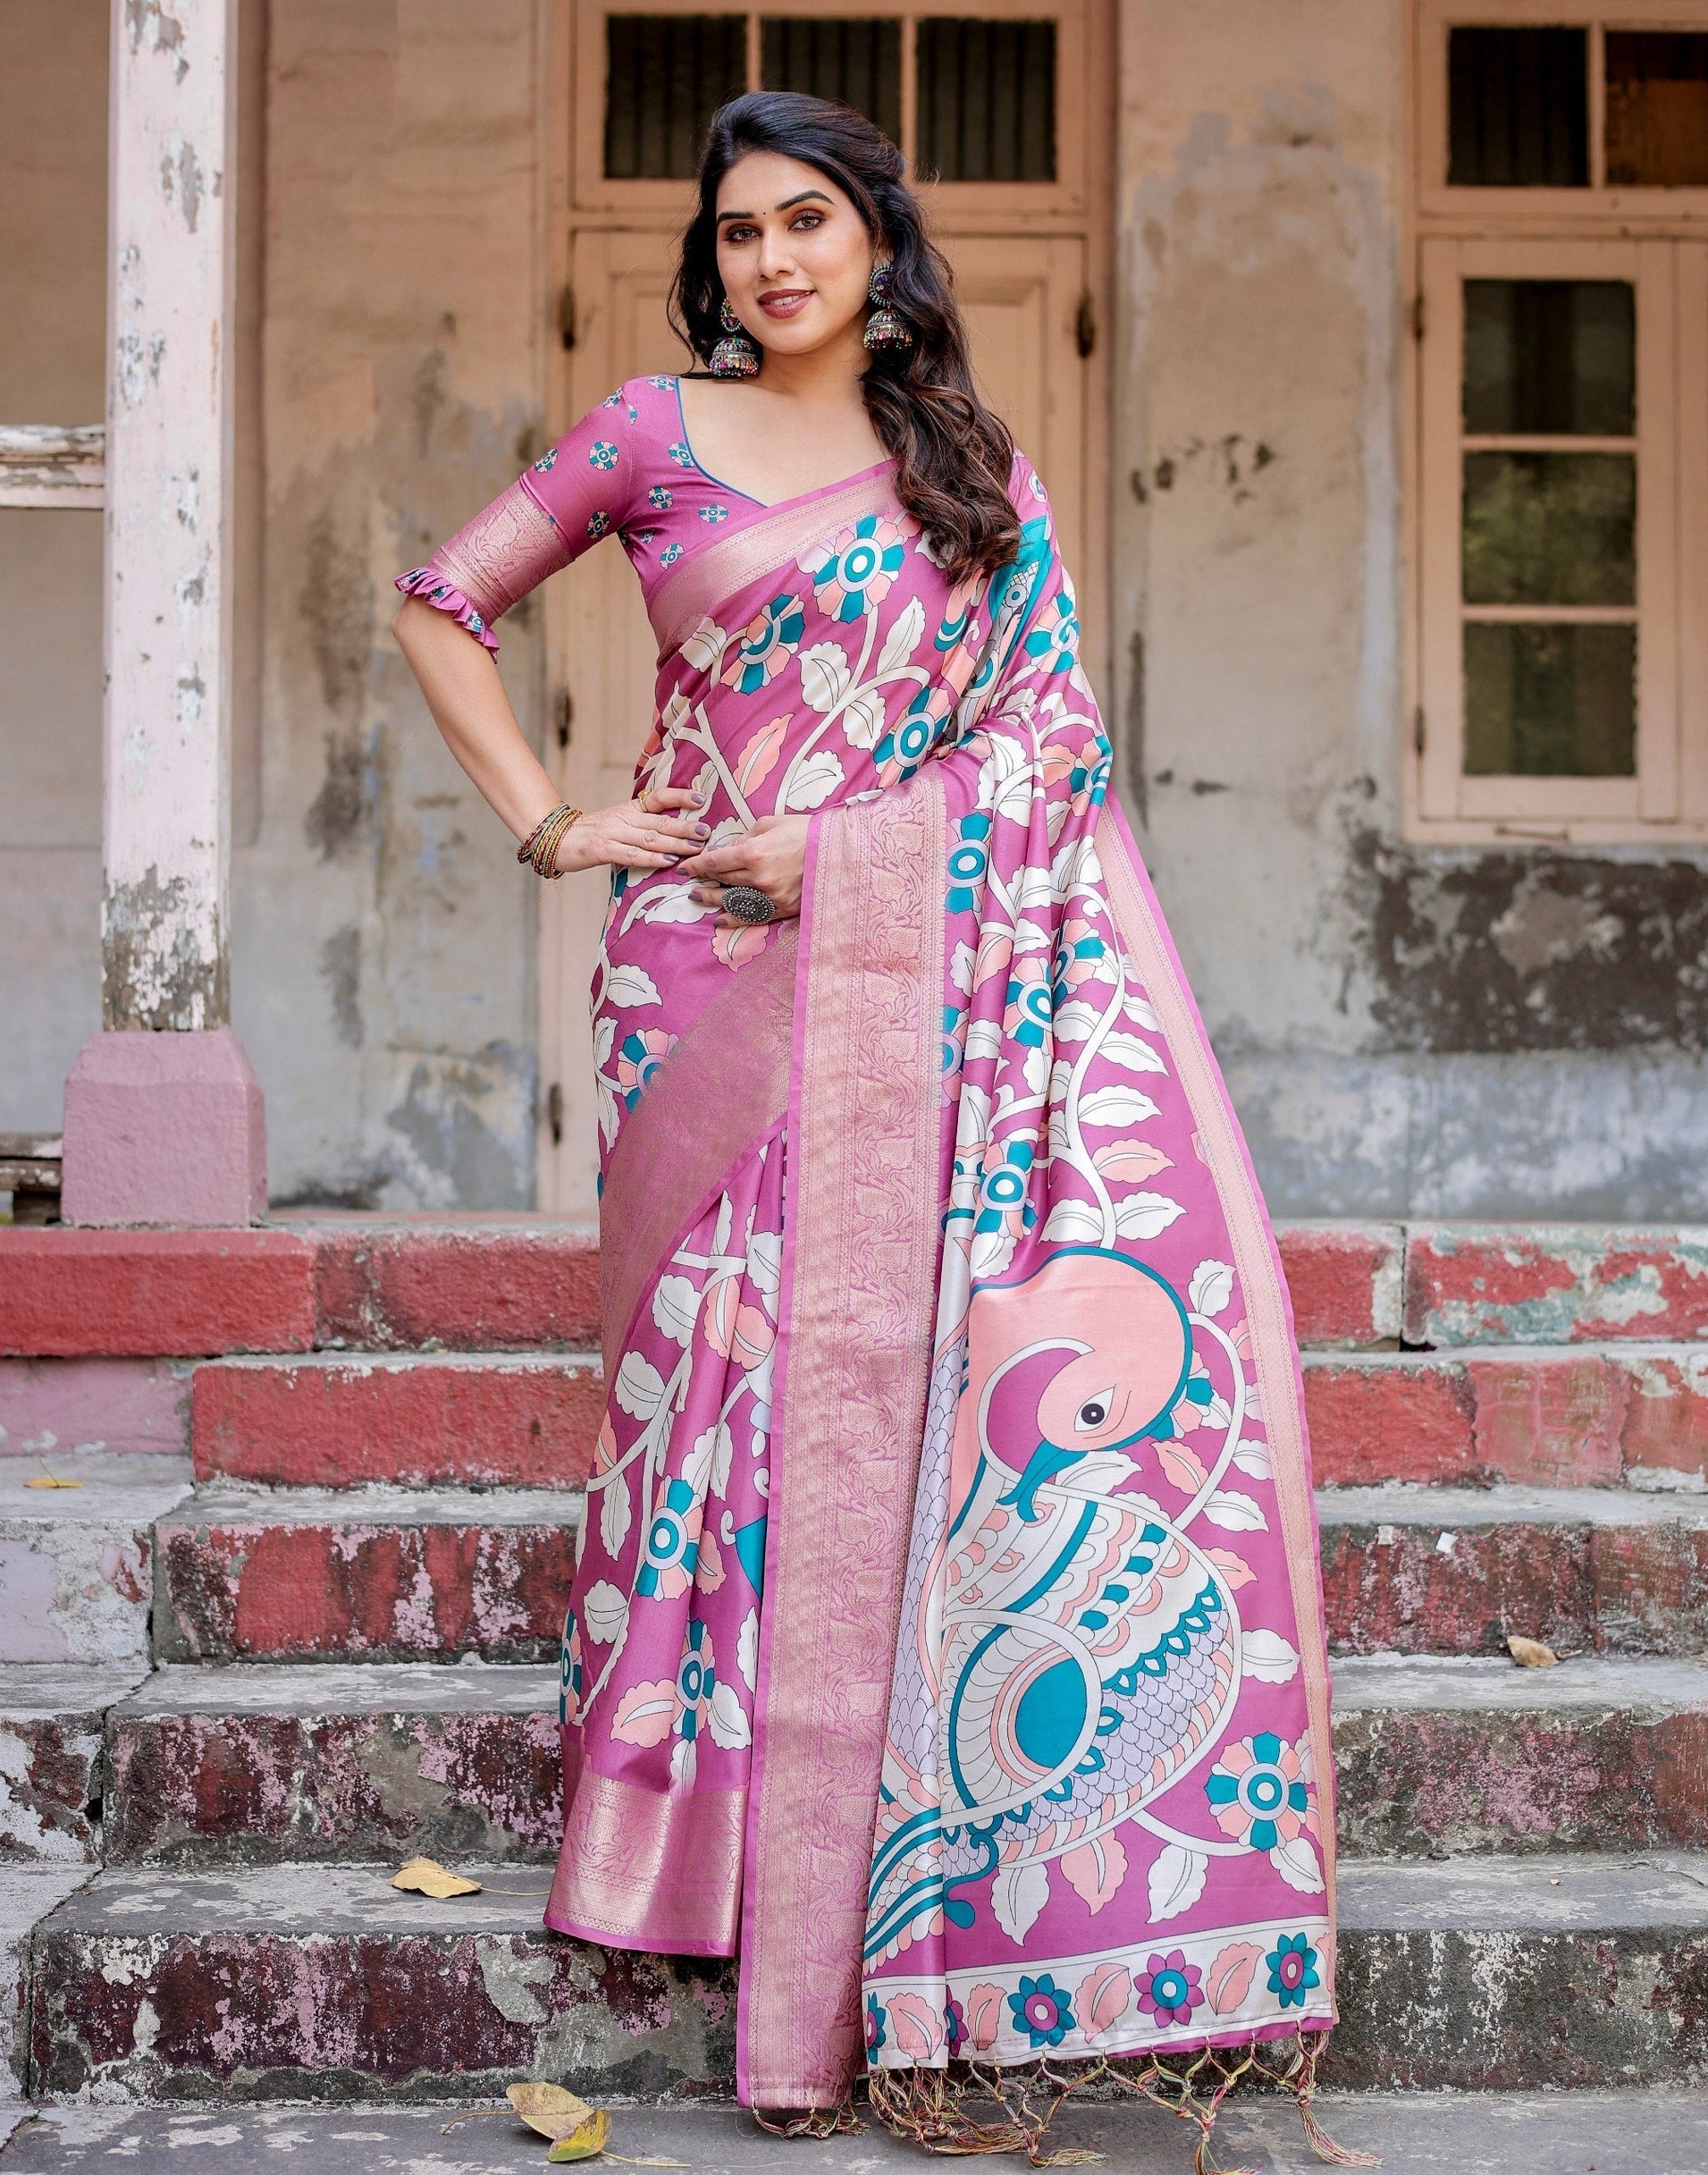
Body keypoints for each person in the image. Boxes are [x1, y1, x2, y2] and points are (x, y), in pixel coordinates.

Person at [393, 90, 1370, 2172]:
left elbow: (1050, 746)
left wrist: (839, 851)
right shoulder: (648, 435)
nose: (769, 258)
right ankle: (691, 1860)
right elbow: (436, 599)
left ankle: (853, 1872)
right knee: (707, 1406)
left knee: (868, 1408)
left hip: (894, 962)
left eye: (807, 219)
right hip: (695, 982)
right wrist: (560, 823)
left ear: (877, 242)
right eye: (738, 229)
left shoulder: (966, 471)